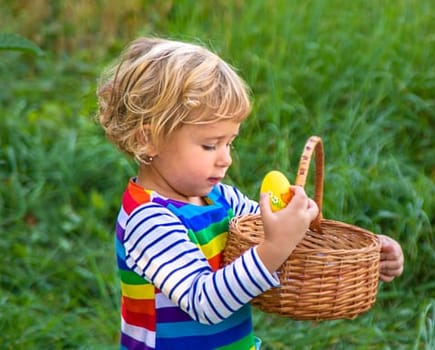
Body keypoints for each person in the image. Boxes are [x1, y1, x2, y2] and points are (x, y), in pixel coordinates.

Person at [95, 37, 406, 349]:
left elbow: (289, 240)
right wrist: (276, 245)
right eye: (209, 145)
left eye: (229, 142)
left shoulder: (221, 198)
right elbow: (204, 302)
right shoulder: (148, 219)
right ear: (147, 139)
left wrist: (363, 258)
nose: (225, 158)